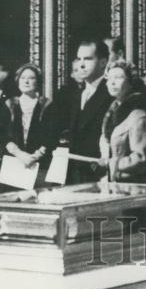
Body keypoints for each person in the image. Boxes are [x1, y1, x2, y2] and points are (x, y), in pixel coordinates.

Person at [50, 40, 111, 184]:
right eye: (79, 59)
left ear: (103, 62)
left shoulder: (111, 93)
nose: (81, 64)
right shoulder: (72, 94)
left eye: (88, 59)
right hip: (71, 173)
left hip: (99, 174)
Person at [0, 64, 58, 184]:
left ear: (38, 81)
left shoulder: (47, 105)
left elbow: (52, 135)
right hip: (14, 163)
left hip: (40, 165)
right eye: (22, 77)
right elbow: (2, 133)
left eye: (31, 78)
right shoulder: (10, 104)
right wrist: (19, 154)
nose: (26, 81)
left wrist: (34, 157)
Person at [98, 61, 146, 183]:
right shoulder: (110, 114)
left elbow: (141, 158)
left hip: (133, 187)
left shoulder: (138, 116)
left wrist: (114, 163)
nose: (112, 83)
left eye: (118, 78)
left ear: (130, 82)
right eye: (109, 78)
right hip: (113, 184)